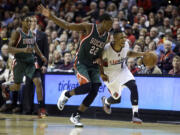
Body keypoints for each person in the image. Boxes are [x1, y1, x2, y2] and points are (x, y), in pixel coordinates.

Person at [38, 4, 113, 127]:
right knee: (87, 86)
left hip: (93, 65)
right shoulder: (89, 27)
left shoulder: (106, 36)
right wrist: (51, 16)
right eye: (110, 24)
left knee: (94, 91)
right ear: (104, 22)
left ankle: (76, 115)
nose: (111, 26)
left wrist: (101, 72)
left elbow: (99, 55)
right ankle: (66, 94)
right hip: (81, 63)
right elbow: (67, 25)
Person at [2, 14, 47, 118]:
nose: (29, 23)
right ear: (22, 22)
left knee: (38, 82)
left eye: (30, 21)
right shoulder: (17, 33)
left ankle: (41, 109)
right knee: (17, 86)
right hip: (19, 62)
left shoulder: (31, 33)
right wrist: (23, 50)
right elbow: (9, 49)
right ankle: (6, 88)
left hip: (30, 62)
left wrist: (41, 55)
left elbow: (35, 45)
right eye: (27, 21)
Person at [98, 29, 148, 124]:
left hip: (122, 70)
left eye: (124, 37)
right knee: (117, 99)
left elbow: (128, 53)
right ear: (115, 39)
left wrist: (142, 54)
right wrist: (101, 73)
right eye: (121, 38)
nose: (124, 39)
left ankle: (135, 115)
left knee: (133, 85)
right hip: (110, 75)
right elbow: (99, 60)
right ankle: (106, 102)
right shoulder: (106, 50)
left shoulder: (126, 45)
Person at [22, 16, 49, 115]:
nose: (32, 23)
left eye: (33, 21)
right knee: (28, 88)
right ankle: (27, 109)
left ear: (36, 23)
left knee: (39, 87)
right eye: (30, 21)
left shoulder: (42, 35)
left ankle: (40, 109)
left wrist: (45, 65)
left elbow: (46, 51)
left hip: (39, 66)